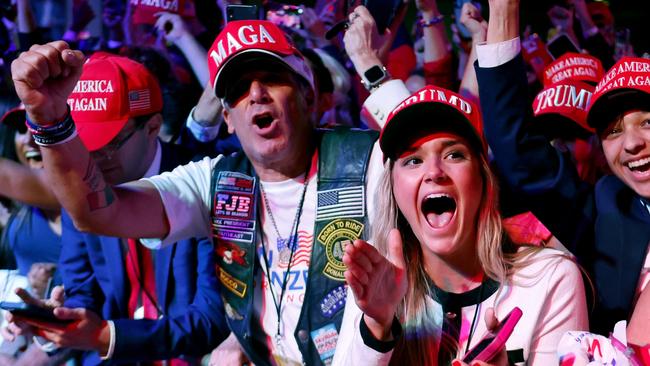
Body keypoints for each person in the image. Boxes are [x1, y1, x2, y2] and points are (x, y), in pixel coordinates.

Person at [9, 9, 411, 365]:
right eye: (238, 88)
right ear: (229, 119)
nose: (255, 94)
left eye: (272, 78)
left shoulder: (365, 159)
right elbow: (97, 211)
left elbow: (435, 155)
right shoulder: (216, 180)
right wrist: (50, 120)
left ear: (307, 94)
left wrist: (369, 65)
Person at [332, 85, 588, 366]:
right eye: (413, 160)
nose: (434, 173)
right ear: (392, 188)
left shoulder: (550, 278)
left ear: (483, 179)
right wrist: (377, 327)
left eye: (454, 155)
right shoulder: (377, 272)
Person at [4, 52, 229, 365]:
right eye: (83, 145)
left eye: (106, 145)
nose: (92, 161)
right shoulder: (79, 189)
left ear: (152, 127)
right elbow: (84, 292)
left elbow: (212, 319)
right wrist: (57, 322)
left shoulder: (204, 185)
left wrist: (108, 336)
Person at [471, 0, 650, 336]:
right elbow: (515, 150)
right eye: (613, 131)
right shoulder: (608, 212)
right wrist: (504, 10)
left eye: (648, 123)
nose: (631, 143)